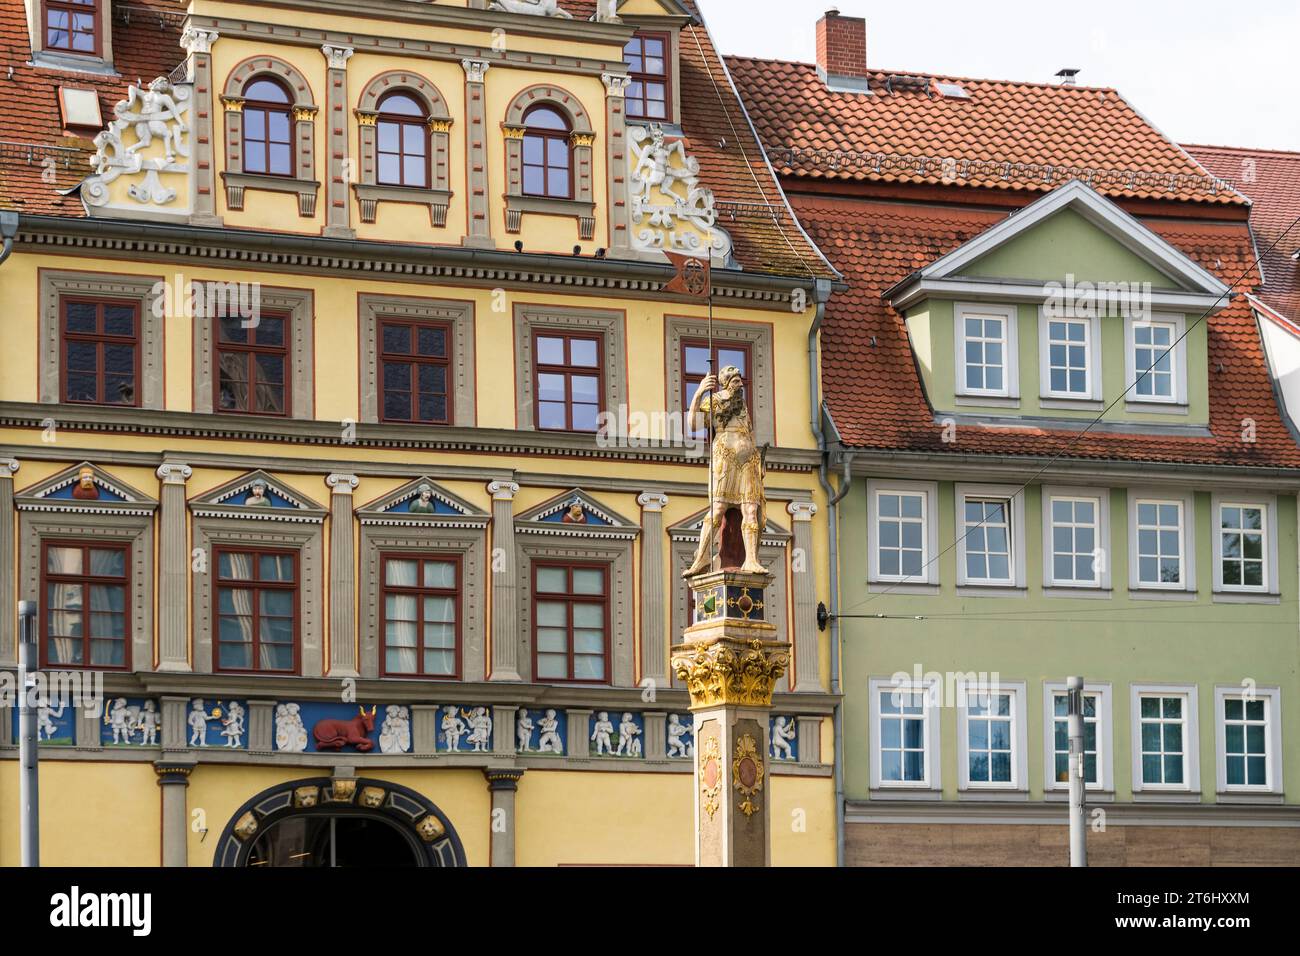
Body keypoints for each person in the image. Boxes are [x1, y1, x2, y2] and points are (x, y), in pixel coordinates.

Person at [682, 365, 766, 577]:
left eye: (740, 378)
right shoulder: (715, 399)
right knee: (717, 509)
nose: (739, 382)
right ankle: (700, 560)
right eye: (734, 378)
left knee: (750, 512)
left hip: (748, 462)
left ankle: (751, 560)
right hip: (725, 458)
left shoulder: (742, 404)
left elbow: (749, 432)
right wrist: (699, 391)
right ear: (725, 381)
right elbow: (692, 424)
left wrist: (759, 463)